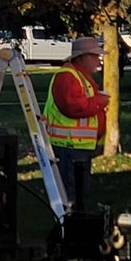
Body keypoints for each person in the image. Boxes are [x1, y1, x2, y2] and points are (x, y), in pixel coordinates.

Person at [42, 36, 110, 213]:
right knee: (71, 197)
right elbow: (73, 107)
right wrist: (99, 102)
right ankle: (71, 232)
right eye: (95, 56)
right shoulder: (67, 76)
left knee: (79, 195)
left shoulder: (78, 76)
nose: (98, 60)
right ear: (82, 57)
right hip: (69, 147)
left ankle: (76, 229)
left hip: (77, 146)